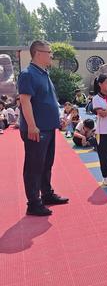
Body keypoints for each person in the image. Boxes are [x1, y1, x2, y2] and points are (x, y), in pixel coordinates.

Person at [17, 40, 69, 216]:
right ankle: (33, 202)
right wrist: (31, 126)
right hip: (36, 130)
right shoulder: (28, 74)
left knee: (46, 164)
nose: (51, 55)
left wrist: (58, 119)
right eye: (49, 52)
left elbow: (49, 101)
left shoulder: (44, 73)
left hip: (48, 128)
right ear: (38, 53)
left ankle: (46, 194)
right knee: (34, 166)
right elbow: (25, 101)